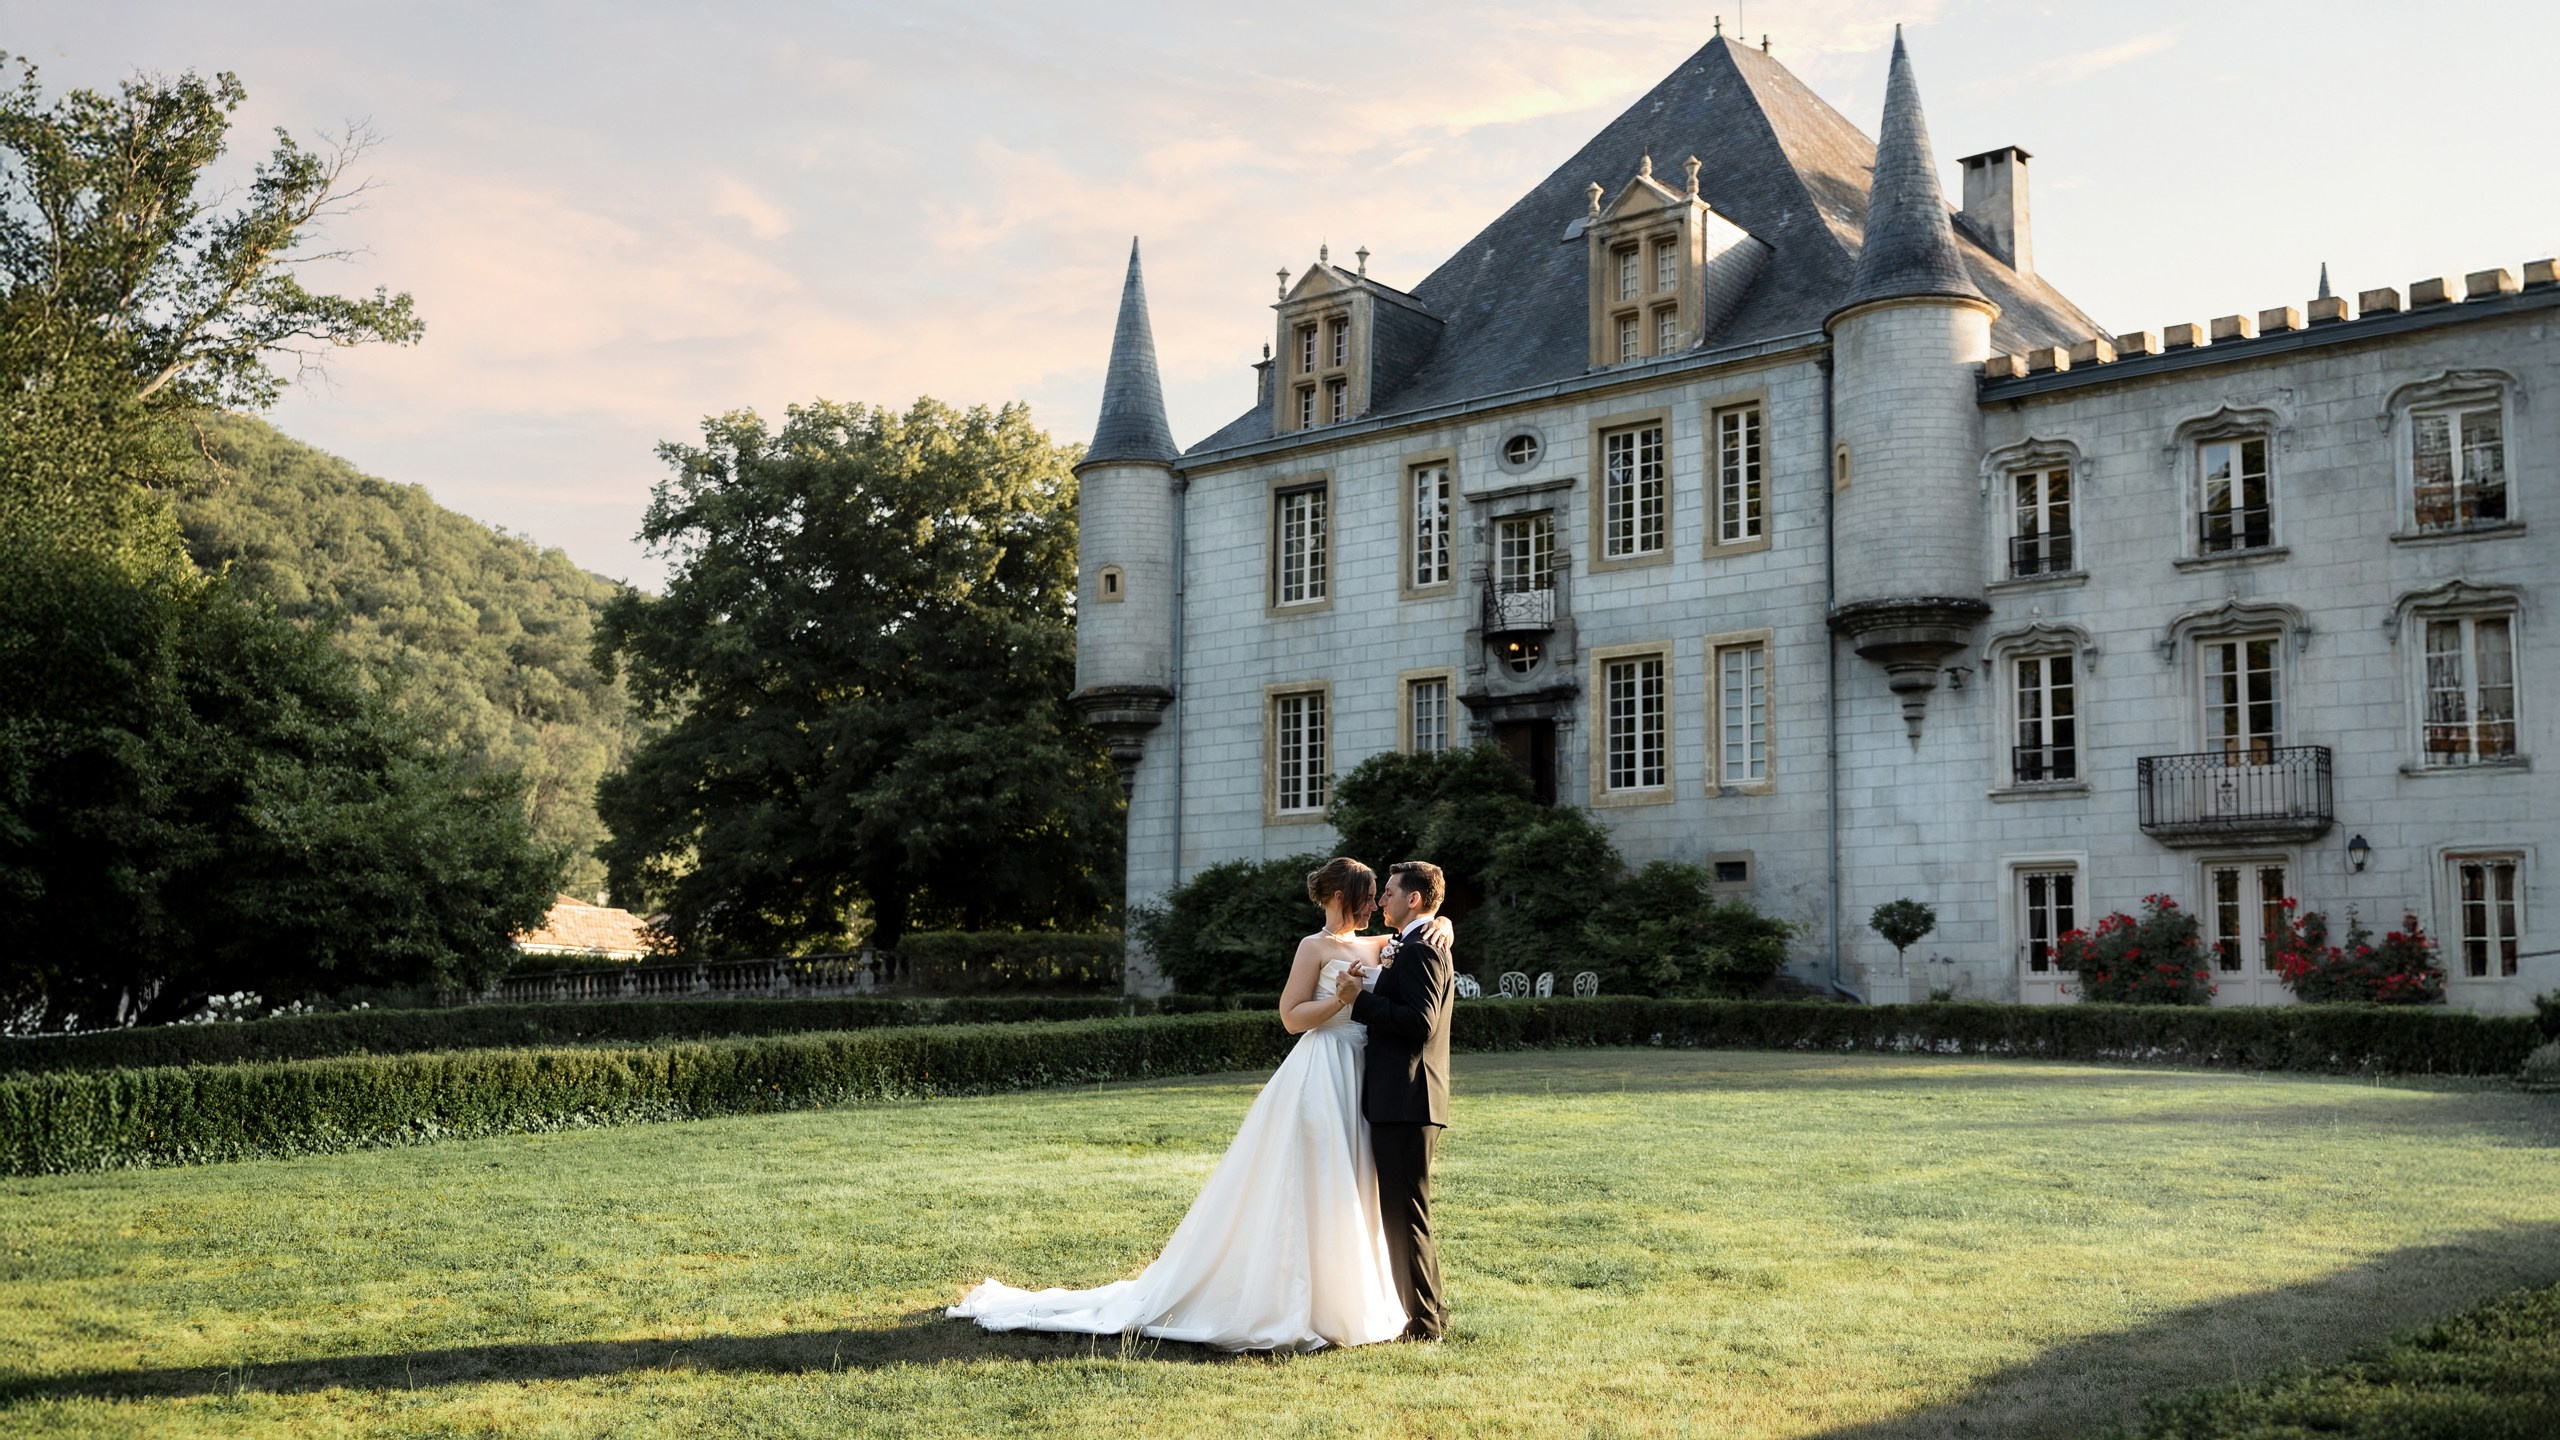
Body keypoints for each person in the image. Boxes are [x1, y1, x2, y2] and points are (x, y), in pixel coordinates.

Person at [947, 857, 1450, 1352]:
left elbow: (1424, 937)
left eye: (1382, 897)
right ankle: (1299, 1299)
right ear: (1343, 898)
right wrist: (1342, 1000)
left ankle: (1358, 1294)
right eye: (1368, 898)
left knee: (1356, 1185)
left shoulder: (1388, 942)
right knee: (1311, 1179)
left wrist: (1444, 923)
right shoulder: (1313, 947)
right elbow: (1292, 1018)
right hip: (1323, 1069)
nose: (1375, 906)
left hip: (1367, 1077)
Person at [1354, 859, 1454, 1341]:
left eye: (1389, 892)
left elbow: (1420, 1024)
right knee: (1408, 1212)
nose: (1381, 901)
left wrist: (1359, 1000)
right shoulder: (1414, 942)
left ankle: (1423, 1325)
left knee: (1405, 1214)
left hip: (1408, 1098)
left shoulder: (1421, 950)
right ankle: (1430, 1312)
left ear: (1413, 899)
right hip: (1403, 1098)